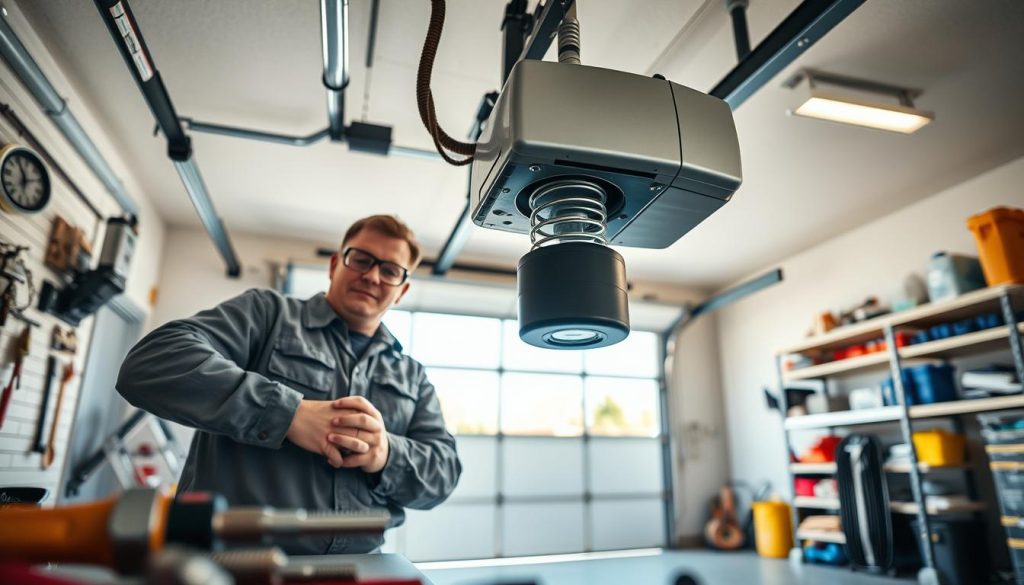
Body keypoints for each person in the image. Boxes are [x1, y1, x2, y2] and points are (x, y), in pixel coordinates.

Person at [116, 215, 461, 555]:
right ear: (333, 265)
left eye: (389, 271)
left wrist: (385, 453)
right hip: (232, 562)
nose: (372, 276)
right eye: (361, 259)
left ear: (402, 290)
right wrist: (289, 414)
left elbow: (443, 474)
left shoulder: (413, 377)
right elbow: (151, 362)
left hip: (359, 568)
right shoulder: (267, 315)